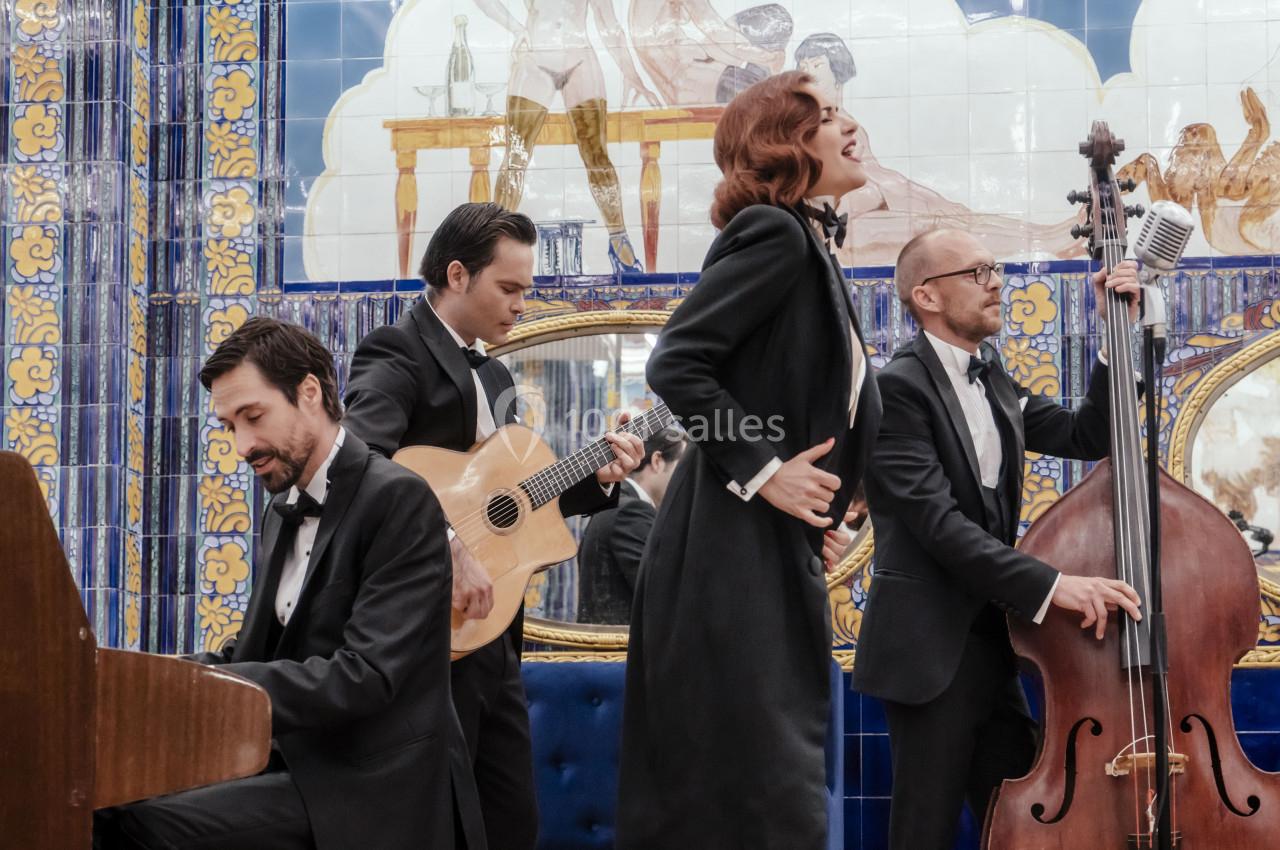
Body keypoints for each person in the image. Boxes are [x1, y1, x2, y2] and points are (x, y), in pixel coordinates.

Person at [616, 70, 882, 849]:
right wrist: (770, 474)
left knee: (760, 789)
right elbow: (677, 363)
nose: (851, 126)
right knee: (755, 794)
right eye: (829, 117)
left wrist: (808, 516)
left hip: (755, 548)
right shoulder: (775, 232)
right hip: (724, 557)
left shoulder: (803, 238)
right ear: (787, 145)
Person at [94, 318, 484, 849]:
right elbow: (256, 650)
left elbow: (365, 676)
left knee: (143, 827)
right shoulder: (280, 510)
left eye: (253, 417)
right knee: (101, 803)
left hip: (371, 785)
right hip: (292, 761)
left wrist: (202, 692)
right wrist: (143, 679)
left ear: (309, 392)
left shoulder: (398, 499)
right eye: (229, 426)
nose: (242, 446)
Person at [341, 202, 644, 850]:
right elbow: (359, 464)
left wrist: (598, 479)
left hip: (498, 642)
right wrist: (447, 545)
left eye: (526, 291)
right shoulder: (396, 353)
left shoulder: (496, 372)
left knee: (511, 823)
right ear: (457, 274)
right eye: (509, 289)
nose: (520, 305)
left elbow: (510, 507)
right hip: (428, 641)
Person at [852, 229, 1146, 849]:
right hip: (926, 651)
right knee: (922, 833)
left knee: (1018, 825)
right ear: (927, 296)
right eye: (978, 271)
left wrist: (1115, 335)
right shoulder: (894, 390)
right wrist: (1053, 584)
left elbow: (1086, 433)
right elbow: (939, 526)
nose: (995, 282)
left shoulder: (992, 378)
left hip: (995, 646)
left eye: (996, 268)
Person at [475, 0, 657, 273]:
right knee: (516, 155)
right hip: (535, 57)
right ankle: (494, 244)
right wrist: (516, 29)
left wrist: (632, 76)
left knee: (596, 154)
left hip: (579, 58)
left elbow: (609, 25)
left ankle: (619, 240)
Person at [577, 426, 686, 624]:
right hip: (617, 651)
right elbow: (666, 594)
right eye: (682, 469)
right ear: (657, 461)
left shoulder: (618, 502)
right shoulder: (630, 511)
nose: (686, 482)